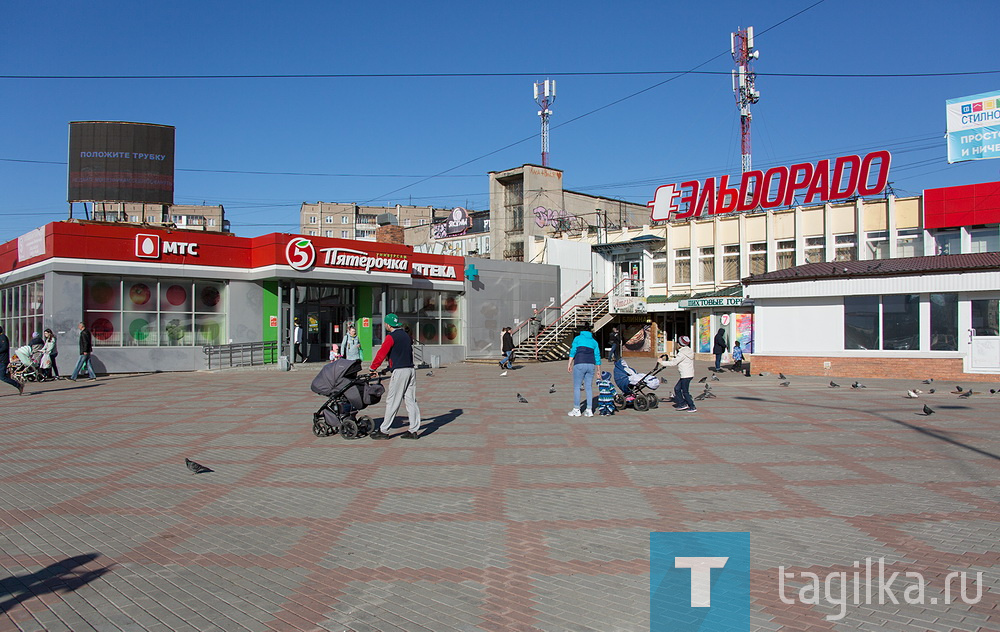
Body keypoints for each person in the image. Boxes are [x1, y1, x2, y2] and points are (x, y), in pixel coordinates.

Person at [368, 313, 421, 440]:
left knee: (392, 401)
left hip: (400, 372)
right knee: (410, 401)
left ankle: (384, 430)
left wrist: (373, 368)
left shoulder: (391, 337)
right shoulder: (406, 336)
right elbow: (402, 354)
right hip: (410, 369)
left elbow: (382, 353)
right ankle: (413, 430)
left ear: (387, 324)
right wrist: (388, 368)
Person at [566, 328, 601, 417]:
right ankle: (589, 410)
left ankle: (576, 409)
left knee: (577, 387)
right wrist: (598, 370)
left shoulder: (577, 338)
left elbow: (573, 351)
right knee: (588, 387)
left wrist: (569, 363)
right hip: (591, 365)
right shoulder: (594, 342)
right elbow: (597, 356)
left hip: (579, 364)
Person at [660, 335, 696, 412]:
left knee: (685, 392)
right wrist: (670, 359)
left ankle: (692, 406)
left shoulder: (682, 353)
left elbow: (674, 363)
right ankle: (682, 404)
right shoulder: (688, 351)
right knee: (677, 389)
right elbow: (678, 359)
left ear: (680, 344)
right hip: (688, 374)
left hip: (685, 375)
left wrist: (662, 362)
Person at [0, 326, 24, 395]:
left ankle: (18, 385)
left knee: (2, 377)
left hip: (2, 360)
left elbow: (4, 347)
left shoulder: (3, 337)